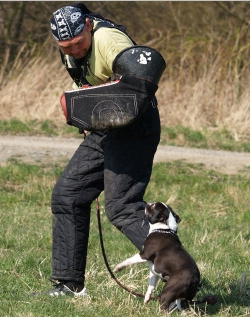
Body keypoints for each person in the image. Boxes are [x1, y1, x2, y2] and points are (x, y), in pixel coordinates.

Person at [47, 2, 163, 297]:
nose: (72, 51)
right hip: (106, 128)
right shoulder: (73, 48)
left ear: (88, 26)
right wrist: (88, 115)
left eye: (77, 44)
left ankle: (181, 275)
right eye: (65, 47)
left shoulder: (109, 40)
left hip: (135, 126)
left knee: (122, 206)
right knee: (69, 195)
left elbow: (139, 82)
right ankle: (68, 285)